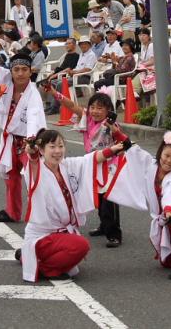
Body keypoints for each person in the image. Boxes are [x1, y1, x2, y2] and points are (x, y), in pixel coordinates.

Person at [16, 128, 130, 282]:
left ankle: (27, 256)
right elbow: (32, 159)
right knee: (80, 246)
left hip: (59, 232)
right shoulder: (36, 170)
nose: (57, 151)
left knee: (75, 257)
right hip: (43, 235)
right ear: (42, 150)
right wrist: (32, 151)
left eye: (61, 146)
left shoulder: (66, 165)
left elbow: (90, 160)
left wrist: (114, 149)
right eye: (52, 147)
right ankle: (45, 269)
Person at [105, 131, 171, 279]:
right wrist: (117, 132)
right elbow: (134, 150)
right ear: (160, 153)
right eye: (167, 156)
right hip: (164, 216)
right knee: (167, 262)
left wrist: (170, 211)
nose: (169, 161)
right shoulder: (152, 164)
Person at [46, 91, 126, 247]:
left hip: (109, 167)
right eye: (92, 107)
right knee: (98, 199)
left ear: (108, 110)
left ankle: (114, 234)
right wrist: (53, 92)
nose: (95, 111)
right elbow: (71, 105)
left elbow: (122, 141)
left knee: (109, 200)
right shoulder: (87, 119)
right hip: (92, 164)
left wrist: (113, 128)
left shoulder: (111, 125)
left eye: (100, 108)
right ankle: (104, 226)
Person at [0, 48, 47, 223]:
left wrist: (32, 140)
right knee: (11, 177)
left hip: (29, 140)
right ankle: (13, 212)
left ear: (30, 71)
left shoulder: (33, 94)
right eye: (16, 69)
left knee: (34, 177)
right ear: (11, 71)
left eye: (24, 69)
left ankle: (41, 214)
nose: (20, 73)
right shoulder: (6, 84)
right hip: (11, 139)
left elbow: (35, 116)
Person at [43, 37, 83, 114]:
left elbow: (68, 69)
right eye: (66, 43)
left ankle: (54, 107)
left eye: (69, 43)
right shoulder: (67, 55)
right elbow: (61, 67)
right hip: (59, 74)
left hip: (65, 76)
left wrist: (54, 75)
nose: (67, 45)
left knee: (50, 82)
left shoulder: (76, 56)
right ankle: (49, 105)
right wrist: (52, 74)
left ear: (74, 45)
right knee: (43, 83)